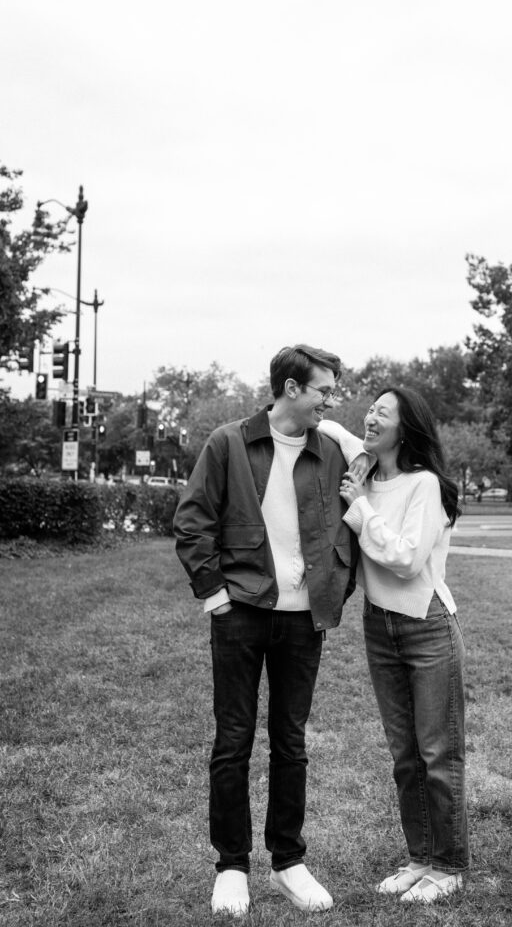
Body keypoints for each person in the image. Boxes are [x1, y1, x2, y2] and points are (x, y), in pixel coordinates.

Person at [173, 345, 365, 917]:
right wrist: (215, 594)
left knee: (291, 743)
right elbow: (193, 521)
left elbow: (366, 489)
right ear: (289, 388)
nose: (331, 401)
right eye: (323, 390)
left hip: (305, 620)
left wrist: (337, 584)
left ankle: (288, 863)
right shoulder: (228, 442)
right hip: (241, 613)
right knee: (232, 743)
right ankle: (232, 867)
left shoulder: (329, 449)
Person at [320, 386, 469, 904]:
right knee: (405, 755)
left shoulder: (424, 485)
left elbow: (405, 560)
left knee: (437, 752)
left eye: (383, 412)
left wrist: (360, 509)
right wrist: (293, 407)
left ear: (406, 428)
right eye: (370, 409)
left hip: (427, 624)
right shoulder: (365, 470)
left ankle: (448, 866)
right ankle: (420, 858)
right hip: (379, 624)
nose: (370, 416)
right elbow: (331, 429)